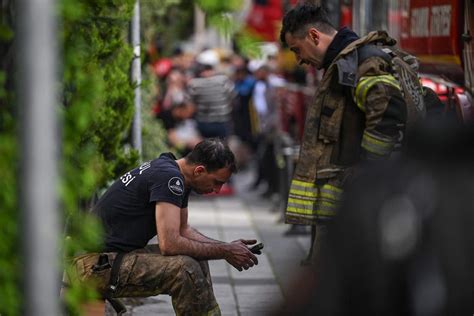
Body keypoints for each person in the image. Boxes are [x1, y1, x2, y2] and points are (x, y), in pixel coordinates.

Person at [279, 4, 425, 263]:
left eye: (296, 49)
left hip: (354, 201)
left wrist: (368, 171)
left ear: (314, 36)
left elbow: (388, 113)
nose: (299, 60)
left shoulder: (361, 63)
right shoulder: (344, 64)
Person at [70, 139, 259, 315]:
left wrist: (228, 247)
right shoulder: (169, 178)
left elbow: (184, 231)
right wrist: (225, 251)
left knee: (198, 257)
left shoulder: (175, 173)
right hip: (92, 266)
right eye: (217, 182)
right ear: (199, 171)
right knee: (185, 269)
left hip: (109, 259)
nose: (217, 190)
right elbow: (169, 244)